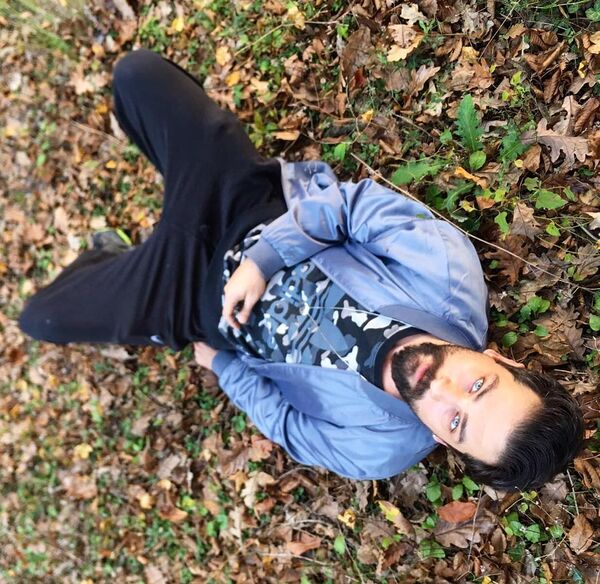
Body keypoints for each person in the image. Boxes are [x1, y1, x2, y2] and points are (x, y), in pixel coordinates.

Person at [19, 49, 584, 491]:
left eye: (456, 423)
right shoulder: (448, 271)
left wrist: (222, 365)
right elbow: (350, 207)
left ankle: (107, 257)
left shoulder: (378, 450)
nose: (443, 390)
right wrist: (264, 260)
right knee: (136, 74)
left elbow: (289, 426)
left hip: (190, 300)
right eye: (479, 386)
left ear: (448, 445)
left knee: (40, 318)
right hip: (242, 208)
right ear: (501, 359)